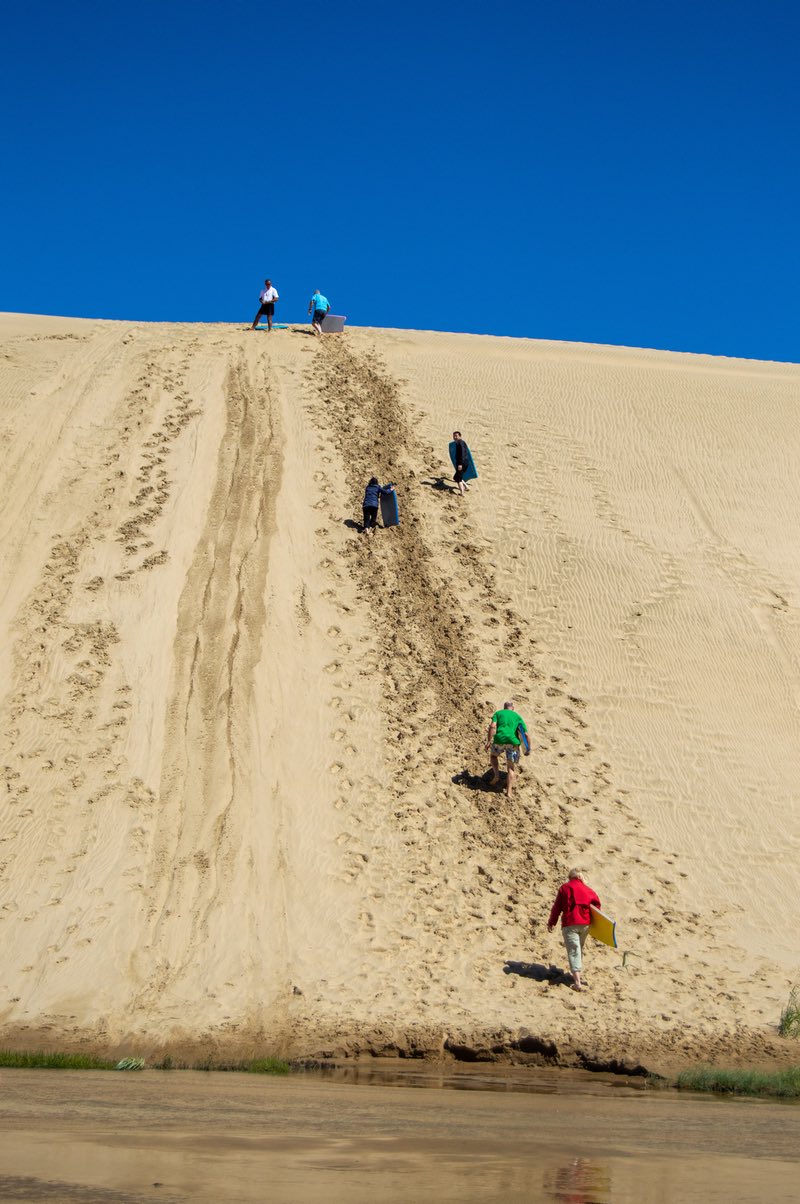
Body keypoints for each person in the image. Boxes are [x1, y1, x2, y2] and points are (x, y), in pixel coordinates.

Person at [547, 869, 601, 992]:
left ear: (570, 877)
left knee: (573, 950)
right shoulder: (588, 890)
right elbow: (597, 907)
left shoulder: (565, 888)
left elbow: (557, 907)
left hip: (570, 923)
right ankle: (577, 975)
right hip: (585, 924)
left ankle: (577, 982)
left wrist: (552, 922)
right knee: (578, 949)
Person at [486, 700, 529, 797]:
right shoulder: (517, 717)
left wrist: (489, 741)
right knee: (510, 767)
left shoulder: (498, 713)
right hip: (513, 742)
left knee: (493, 756)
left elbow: (492, 726)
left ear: (504, 708)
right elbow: (525, 734)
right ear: (512, 708)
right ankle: (509, 792)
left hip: (499, 740)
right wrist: (528, 748)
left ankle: (496, 775)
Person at [450, 430, 471, 496]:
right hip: (464, 463)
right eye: (454, 436)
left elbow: (462, 454)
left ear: (460, 436)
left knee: (458, 479)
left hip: (462, 463)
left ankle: (462, 493)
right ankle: (467, 487)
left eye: (456, 436)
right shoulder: (461, 442)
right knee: (457, 477)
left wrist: (460, 464)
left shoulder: (460, 443)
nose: (455, 437)